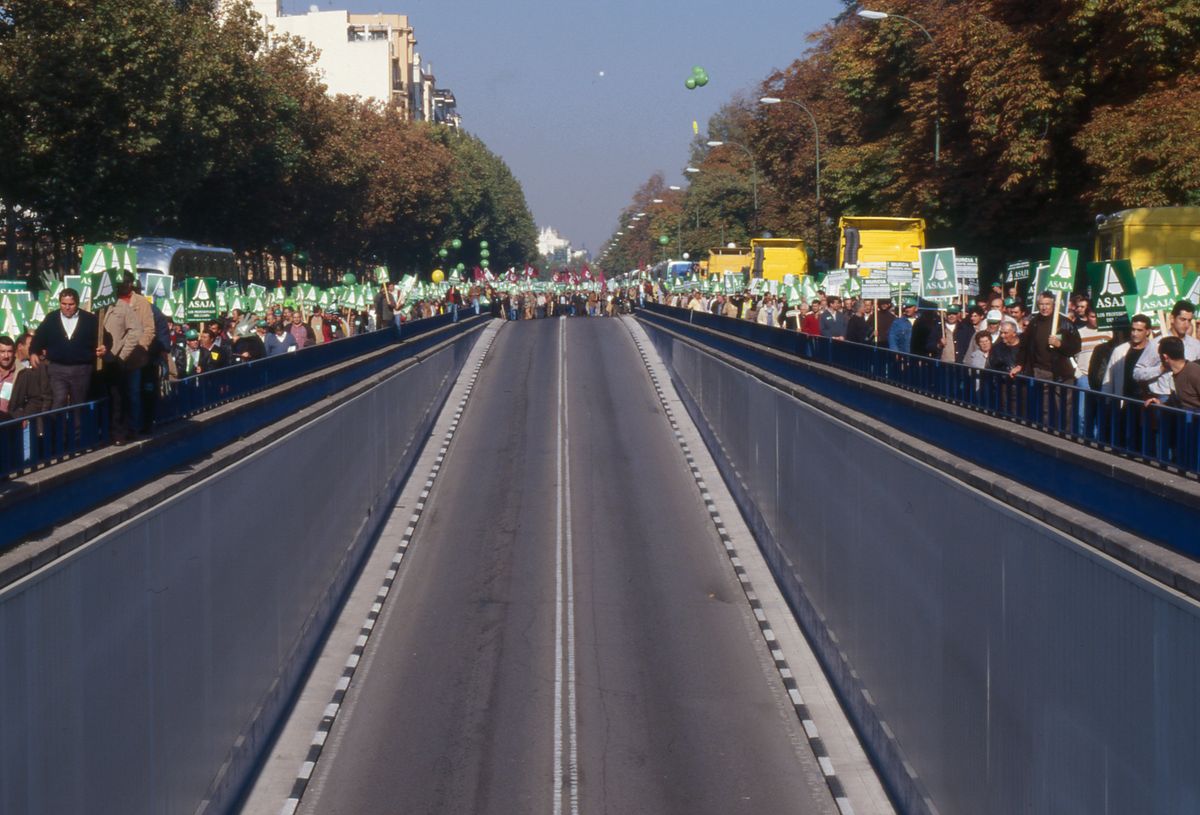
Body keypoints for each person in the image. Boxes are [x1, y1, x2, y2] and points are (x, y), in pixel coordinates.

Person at [29, 288, 104, 408]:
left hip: (81, 369)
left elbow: (105, 338)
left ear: (77, 303)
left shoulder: (90, 319)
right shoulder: (51, 318)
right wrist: (33, 352)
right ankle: (59, 427)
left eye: (71, 304)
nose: (67, 307)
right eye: (64, 304)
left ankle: (77, 427)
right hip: (58, 369)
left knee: (78, 405)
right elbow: (39, 337)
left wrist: (104, 347)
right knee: (59, 401)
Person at [103, 275, 157, 441]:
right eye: (119, 283)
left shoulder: (141, 302)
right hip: (110, 358)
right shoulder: (106, 301)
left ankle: (132, 427)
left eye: (126, 282)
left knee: (132, 393)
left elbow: (149, 329)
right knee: (114, 395)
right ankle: (113, 429)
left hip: (133, 358)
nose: (123, 286)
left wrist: (139, 348)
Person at [1102, 314, 1156, 399]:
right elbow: (1108, 378)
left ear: (1148, 331)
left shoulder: (1155, 350)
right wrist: (1106, 400)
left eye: (1139, 330)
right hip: (1125, 401)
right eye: (1133, 329)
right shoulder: (1120, 351)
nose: (1135, 333)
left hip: (1147, 401)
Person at [6, 332, 53, 418]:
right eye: (31, 345)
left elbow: (42, 396)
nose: (34, 349)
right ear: (20, 346)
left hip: (26, 416)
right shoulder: (8, 365)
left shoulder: (36, 366)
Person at [1145, 336, 1200, 409]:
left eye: (1160, 355)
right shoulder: (1175, 375)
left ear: (1165, 357)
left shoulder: (1195, 373)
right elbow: (1179, 402)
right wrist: (1160, 404)